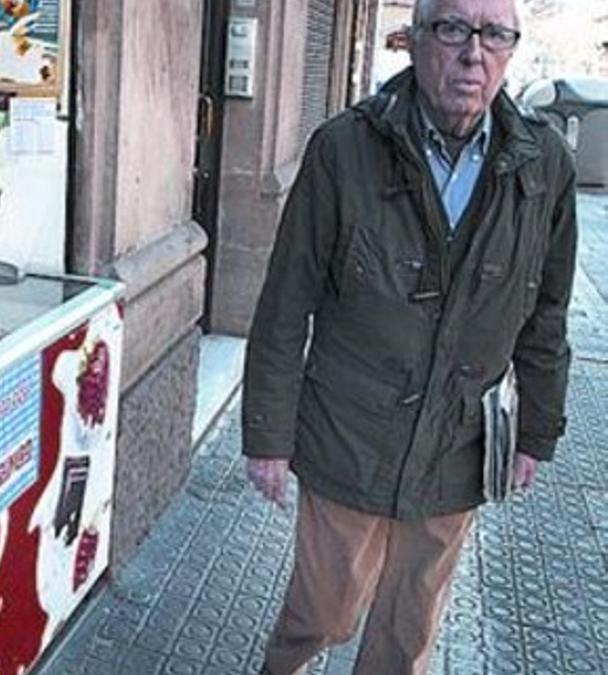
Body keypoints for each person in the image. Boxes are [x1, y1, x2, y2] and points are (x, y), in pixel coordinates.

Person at [242, 0, 577, 672]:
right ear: (415, 40)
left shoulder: (544, 165)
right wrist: (268, 437)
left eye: (495, 35)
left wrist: (537, 429)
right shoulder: (344, 148)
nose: (472, 53)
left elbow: (547, 311)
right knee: (324, 611)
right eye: (453, 29)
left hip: (457, 445)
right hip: (346, 437)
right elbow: (285, 304)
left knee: (408, 631)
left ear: (511, 49)